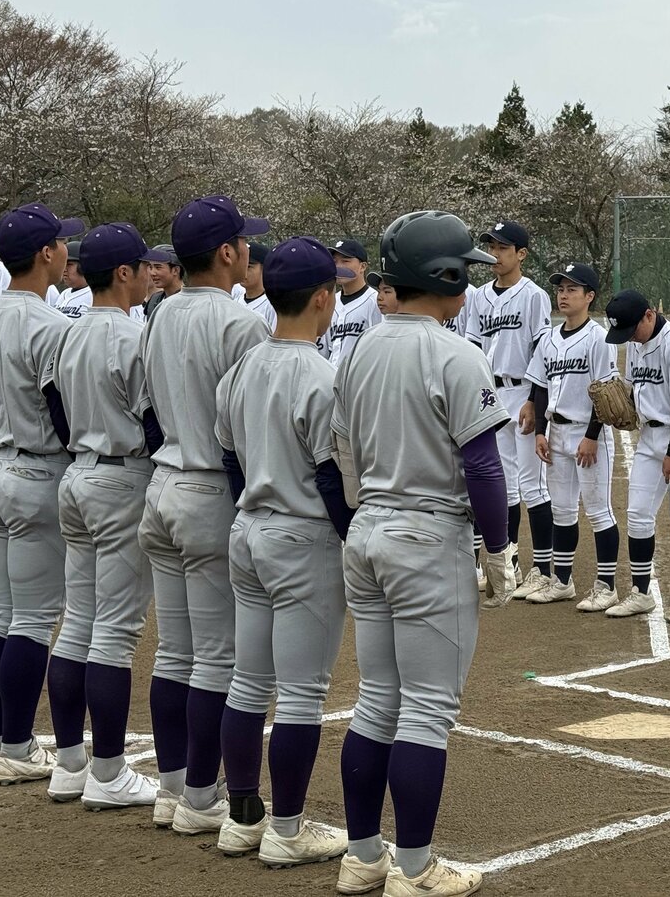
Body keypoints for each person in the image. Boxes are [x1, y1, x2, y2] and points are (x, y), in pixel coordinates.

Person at [332, 211, 511, 897]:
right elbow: (484, 467)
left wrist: (362, 514)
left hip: (368, 530)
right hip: (426, 536)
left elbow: (341, 452)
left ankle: (362, 858)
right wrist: (497, 548)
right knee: (428, 709)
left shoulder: (360, 347)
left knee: (377, 700)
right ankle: (415, 871)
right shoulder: (455, 353)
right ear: (443, 276)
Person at [215, 238, 354, 866]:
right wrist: (351, 538)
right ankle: (288, 831)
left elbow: (229, 458)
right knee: (300, 693)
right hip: (302, 537)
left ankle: (242, 817)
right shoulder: (323, 375)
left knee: (248, 682)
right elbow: (330, 477)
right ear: (323, 298)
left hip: (248, 530)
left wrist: (254, 508)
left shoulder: (243, 365)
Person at [138, 195, 270, 833]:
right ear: (225, 252)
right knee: (217, 658)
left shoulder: (160, 311)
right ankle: (198, 797)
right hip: (210, 489)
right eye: (242, 241)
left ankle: (172, 788)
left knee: (174, 653)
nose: (248, 250)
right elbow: (251, 424)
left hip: (162, 483)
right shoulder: (240, 321)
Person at [42, 223, 165, 808]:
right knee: (113, 633)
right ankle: (110, 774)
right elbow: (154, 422)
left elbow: (53, 402)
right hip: (120, 477)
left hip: (77, 475)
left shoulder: (68, 331)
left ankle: (70, 765)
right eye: (142, 267)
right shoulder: (133, 335)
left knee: (78, 624)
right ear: (123, 273)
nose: (149, 275)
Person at [0, 203, 81, 784]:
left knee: (3, 615)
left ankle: (1, 742)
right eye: (60, 243)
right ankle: (13, 747)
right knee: (33, 619)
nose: (65, 252)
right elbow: (63, 413)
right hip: (36, 471)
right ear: (44, 253)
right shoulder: (52, 325)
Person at [520, 263, 622, 611]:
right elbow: (540, 387)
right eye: (561, 289)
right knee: (562, 510)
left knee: (598, 511)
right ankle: (562, 581)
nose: (563, 295)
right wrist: (540, 432)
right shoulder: (549, 338)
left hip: (587, 433)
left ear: (589, 296)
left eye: (572, 289)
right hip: (557, 431)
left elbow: (605, 393)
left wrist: (592, 436)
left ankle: (606, 586)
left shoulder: (599, 338)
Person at [602, 289, 670, 621]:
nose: (630, 337)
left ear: (649, 315)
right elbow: (631, 387)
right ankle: (640, 592)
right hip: (648, 437)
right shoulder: (636, 342)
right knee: (637, 513)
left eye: (632, 329)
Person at [465, 222, 554, 601]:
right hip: (490, 393)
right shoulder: (480, 297)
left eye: (503, 248)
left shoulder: (534, 296)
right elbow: (472, 346)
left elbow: (542, 352)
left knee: (531, 484)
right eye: (492, 247)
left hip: (522, 391)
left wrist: (534, 400)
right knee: (502, 482)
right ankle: (510, 560)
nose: (495, 254)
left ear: (521, 254)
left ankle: (541, 569)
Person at [321, 239, 382, 367]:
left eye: (345, 261)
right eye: (335, 262)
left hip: (360, 377)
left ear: (362, 266)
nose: (338, 266)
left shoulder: (376, 301)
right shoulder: (330, 302)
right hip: (331, 375)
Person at [240, 242, 275, 330]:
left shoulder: (272, 306)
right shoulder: (235, 301)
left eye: (248, 267)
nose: (243, 270)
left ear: (264, 268)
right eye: (241, 265)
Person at [55, 240, 92, 320]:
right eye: (63, 264)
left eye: (69, 265)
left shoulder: (94, 296)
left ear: (83, 266)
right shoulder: (64, 294)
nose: (64, 269)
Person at [143, 245, 183, 319]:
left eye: (158, 267)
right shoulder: (154, 301)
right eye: (150, 267)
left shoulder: (190, 302)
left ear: (175, 270)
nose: (152, 273)